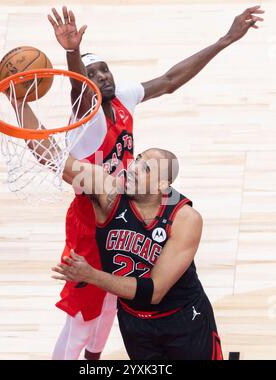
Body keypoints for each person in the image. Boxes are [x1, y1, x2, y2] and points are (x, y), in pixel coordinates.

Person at [46, 5, 264, 360]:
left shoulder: (123, 97)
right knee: (83, 315)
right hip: (93, 212)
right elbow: (81, 91)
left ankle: (93, 360)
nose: (101, 77)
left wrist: (226, 39)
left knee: (114, 300)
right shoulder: (86, 117)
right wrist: (71, 52)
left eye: (104, 69)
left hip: (130, 202)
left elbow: (169, 81)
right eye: (92, 73)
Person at [52, 148, 223, 360]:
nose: (133, 168)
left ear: (161, 184)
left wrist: (91, 275)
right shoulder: (109, 192)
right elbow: (54, 157)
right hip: (135, 323)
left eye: (145, 168)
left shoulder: (185, 219)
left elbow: (154, 291)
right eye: (137, 160)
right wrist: (18, 117)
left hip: (184, 321)